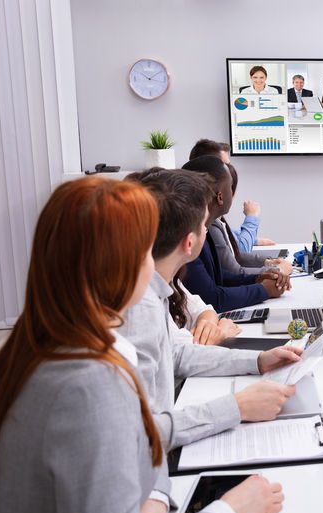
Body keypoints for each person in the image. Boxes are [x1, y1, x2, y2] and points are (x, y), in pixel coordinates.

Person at [0, 177, 285, 513]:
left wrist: (155, 493)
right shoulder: (89, 383)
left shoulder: (43, 341)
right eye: (146, 251)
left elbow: (136, 435)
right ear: (119, 266)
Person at [121, 168, 299, 455]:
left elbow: (175, 355)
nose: (209, 230)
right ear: (189, 242)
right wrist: (237, 407)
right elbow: (141, 435)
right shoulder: (137, 309)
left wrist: (258, 360)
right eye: (205, 225)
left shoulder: (156, 288)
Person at [180, 156, 288, 312]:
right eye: (230, 187)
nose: (234, 193)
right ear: (220, 197)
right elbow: (211, 297)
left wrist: (258, 278)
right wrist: (263, 290)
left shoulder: (205, 229)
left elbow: (218, 277)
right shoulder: (189, 238)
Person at [188, 138, 279, 252]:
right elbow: (240, 252)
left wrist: (253, 239)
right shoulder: (206, 222)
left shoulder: (210, 218)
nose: (230, 171)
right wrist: (252, 217)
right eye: (226, 166)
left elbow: (225, 232)